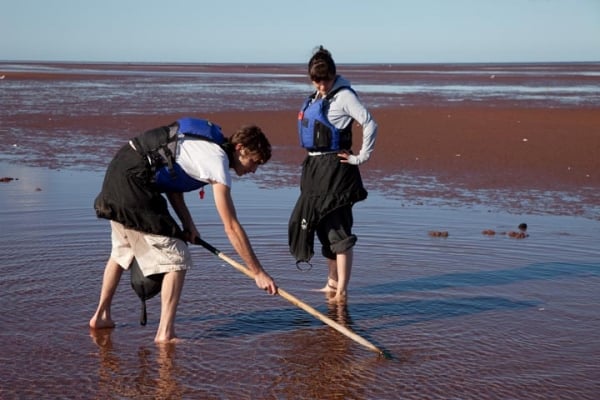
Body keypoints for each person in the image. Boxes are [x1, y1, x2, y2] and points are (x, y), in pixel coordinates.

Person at [89, 117, 278, 343]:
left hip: (119, 176)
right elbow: (231, 226)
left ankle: (101, 316)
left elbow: (172, 182)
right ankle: (165, 334)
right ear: (240, 149)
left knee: (123, 250)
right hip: (135, 185)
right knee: (177, 258)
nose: (254, 170)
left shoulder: (203, 149)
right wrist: (257, 272)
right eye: (254, 162)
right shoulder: (217, 162)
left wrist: (188, 224)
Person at [289, 46, 378, 304]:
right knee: (321, 227)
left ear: (334, 74)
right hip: (315, 170)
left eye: (325, 80)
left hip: (337, 171)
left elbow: (370, 122)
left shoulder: (345, 96)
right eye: (316, 80)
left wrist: (360, 157)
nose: (321, 85)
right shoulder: (316, 98)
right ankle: (331, 283)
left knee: (338, 230)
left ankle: (342, 291)